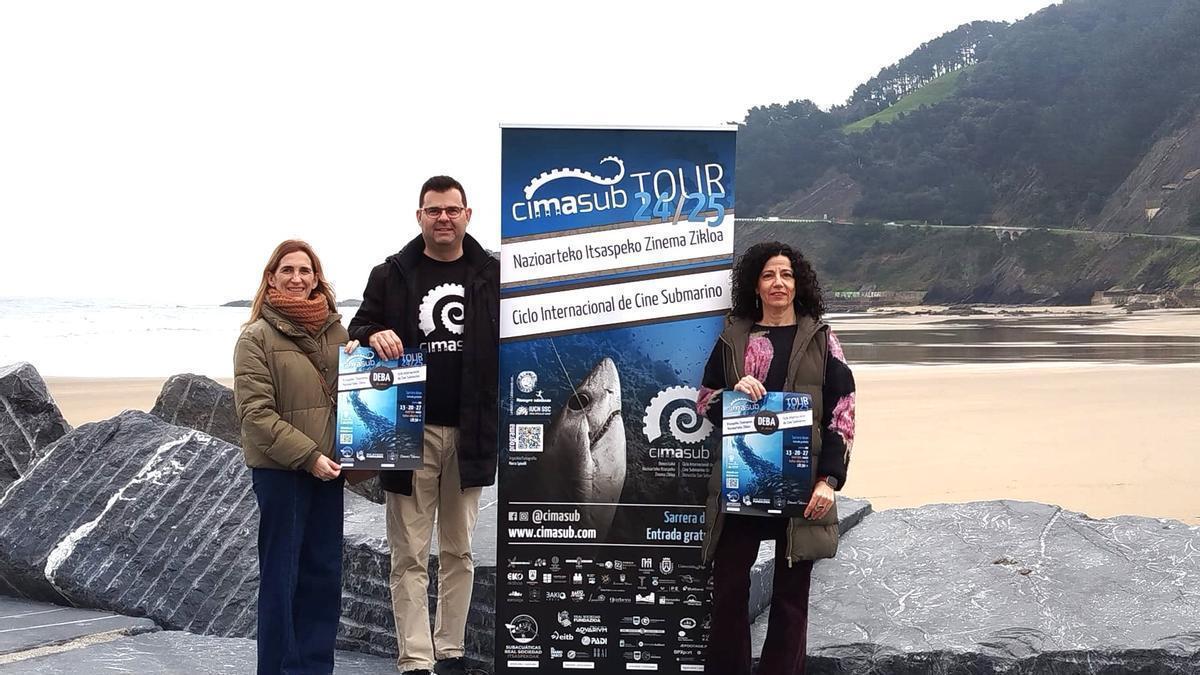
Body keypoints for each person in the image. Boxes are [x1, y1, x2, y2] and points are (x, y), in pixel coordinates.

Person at [348, 176, 499, 675]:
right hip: (407, 433)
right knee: (409, 553)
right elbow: (358, 330)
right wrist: (374, 332)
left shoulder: (492, 275)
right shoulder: (390, 275)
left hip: (471, 431)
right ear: (419, 216)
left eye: (452, 210)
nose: (443, 218)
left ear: (467, 214)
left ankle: (451, 652)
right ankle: (415, 659)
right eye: (433, 210)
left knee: (459, 550)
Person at [695, 241, 856, 675]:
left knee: (791, 598)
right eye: (768, 275)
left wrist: (829, 480)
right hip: (740, 482)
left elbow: (843, 411)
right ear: (755, 284)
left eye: (786, 274)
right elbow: (704, 401)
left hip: (802, 487)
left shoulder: (823, 339)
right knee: (728, 588)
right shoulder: (733, 339)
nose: (778, 283)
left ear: (798, 283)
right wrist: (731, 395)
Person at [233, 239, 355, 674]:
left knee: (323, 576)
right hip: (283, 473)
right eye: (288, 270)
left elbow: (355, 398)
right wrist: (309, 457)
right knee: (281, 578)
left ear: (317, 277)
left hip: (330, 472)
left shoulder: (339, 334)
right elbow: (255, 416)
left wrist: (367, 359)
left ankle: (316, 667)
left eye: (306, 270)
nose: (298, 278)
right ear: (271, 278)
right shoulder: (255, 337)